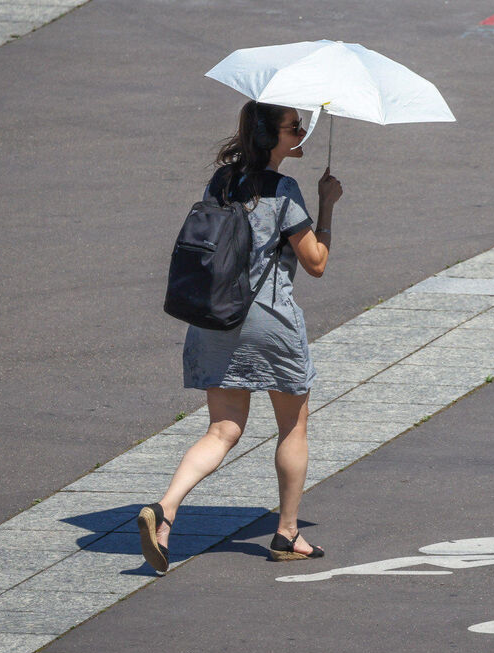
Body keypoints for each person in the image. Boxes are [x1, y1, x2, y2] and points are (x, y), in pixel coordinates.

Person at [138, 100, 342, 573]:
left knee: (223, 429)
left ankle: (165, 510)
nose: (302, 134)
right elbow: (316, 263)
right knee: (292, 425)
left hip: (216, 317)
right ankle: (288, 534)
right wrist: (327, 207)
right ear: (272, 136)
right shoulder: (285, 190)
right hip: (268, 319)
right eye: (295, 127)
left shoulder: (221, 180)